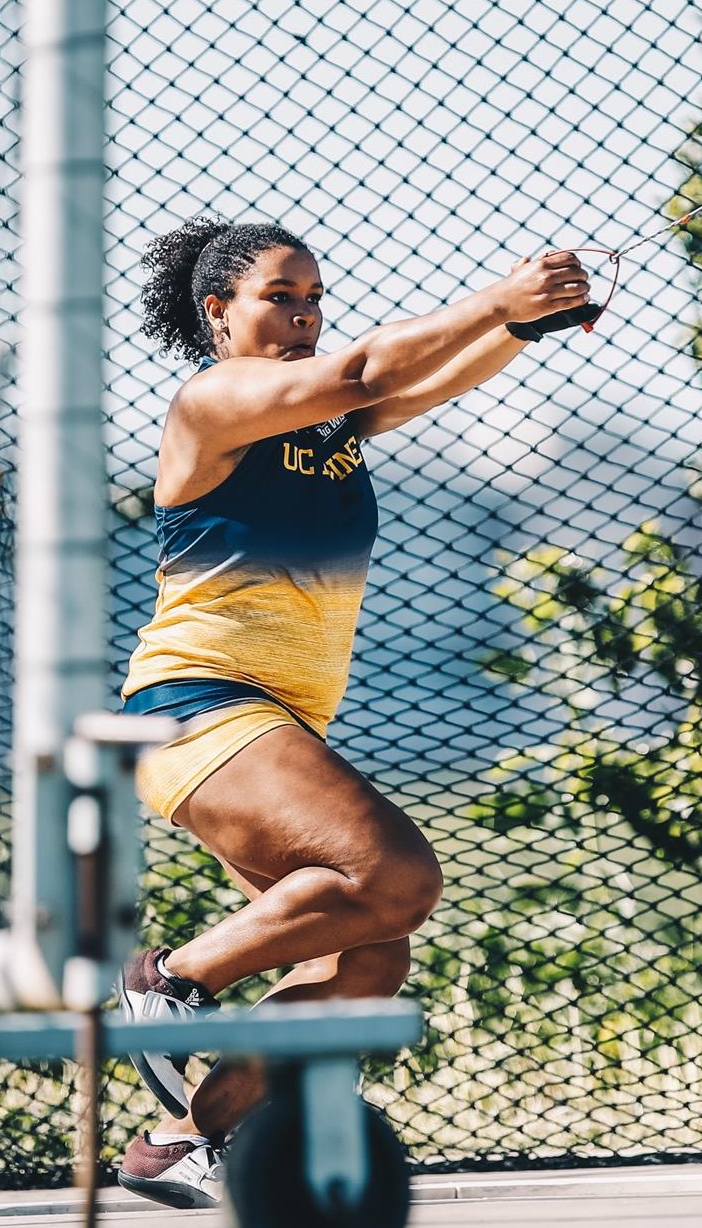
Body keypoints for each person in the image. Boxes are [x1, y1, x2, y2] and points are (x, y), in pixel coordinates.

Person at [110, 214, 590, 1208]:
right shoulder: (214, 400)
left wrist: (525, 326)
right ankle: (172, 978)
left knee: (370, 952)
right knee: (398, 870)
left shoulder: (318, 424)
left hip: (260, 721)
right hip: (197, 704)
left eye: (313, 299)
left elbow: (419, 381)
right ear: (219, 312)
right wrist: (497, 297)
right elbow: (368, 371)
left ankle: (184, 1137)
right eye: (279, 298)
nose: (303, 315)